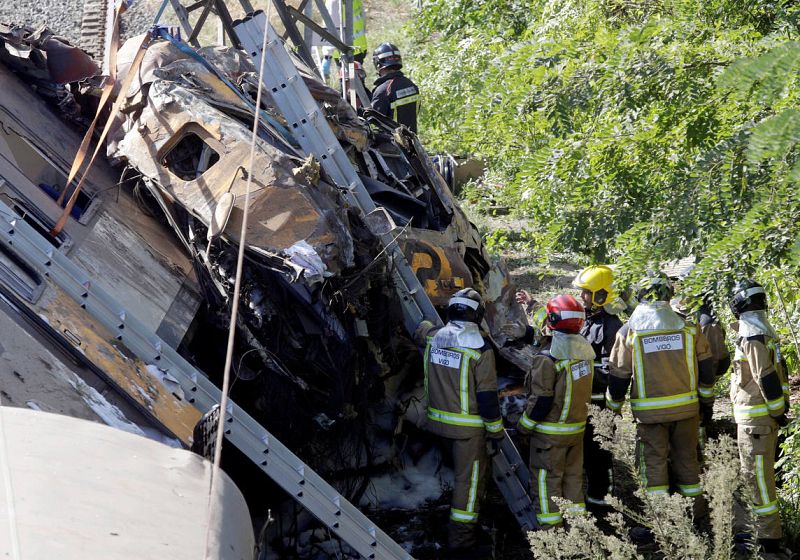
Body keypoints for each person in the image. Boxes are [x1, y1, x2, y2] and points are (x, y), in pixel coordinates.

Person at [606, 273, 715, 517]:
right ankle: (696, 518)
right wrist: (706, 403)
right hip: (687, 410)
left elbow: (619, 376)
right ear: (670, 295)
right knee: (688, 463)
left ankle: (663, 524)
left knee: (653, 466)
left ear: (640, 294)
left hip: (650, 416)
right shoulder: (689, 327)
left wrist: (612, 410)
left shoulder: (629, 332)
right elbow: (707, 368)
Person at [415, 288, 503, 553]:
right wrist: (496, 432)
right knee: (469, 483)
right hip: (468, 431)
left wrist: (426, 323)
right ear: (477, 315)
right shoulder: (480, 349)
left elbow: (421, 330)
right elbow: (487, 398)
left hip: (436, 424)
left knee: (454, 477)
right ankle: (462, 542)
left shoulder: (433, 339)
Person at [517, 294, 596, 527]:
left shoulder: (547, 359)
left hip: (550, 436)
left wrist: (523, 427)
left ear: (551, 320)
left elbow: (541, 399)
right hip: (576, 431)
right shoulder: (585, 353)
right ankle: (579, 533)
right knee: (573, 480)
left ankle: (553, 540)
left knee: (546, 484)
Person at [729, 279, 790, 555]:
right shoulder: (762, 330)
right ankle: (767, 534)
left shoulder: (752, 334)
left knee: (758, 480)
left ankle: (767, 540)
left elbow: (765, 377)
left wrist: (777, 411)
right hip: (762, 421)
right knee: (760, 478)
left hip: (756, 423)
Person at [572, 265, 623, 509]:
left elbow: (611, 371)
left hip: (600, 404)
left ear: (602, 295)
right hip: (582, 402)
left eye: (586, 293)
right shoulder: (587, 320)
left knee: (599, 458)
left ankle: (602, 506)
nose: (582, 297)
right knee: (583, 455)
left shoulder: (613, 327)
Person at [370, 43, 420, 132]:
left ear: (378, 63)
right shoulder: (411, 85)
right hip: (413, 142)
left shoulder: (383, 90)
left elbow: (374, 124)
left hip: (392, 143)